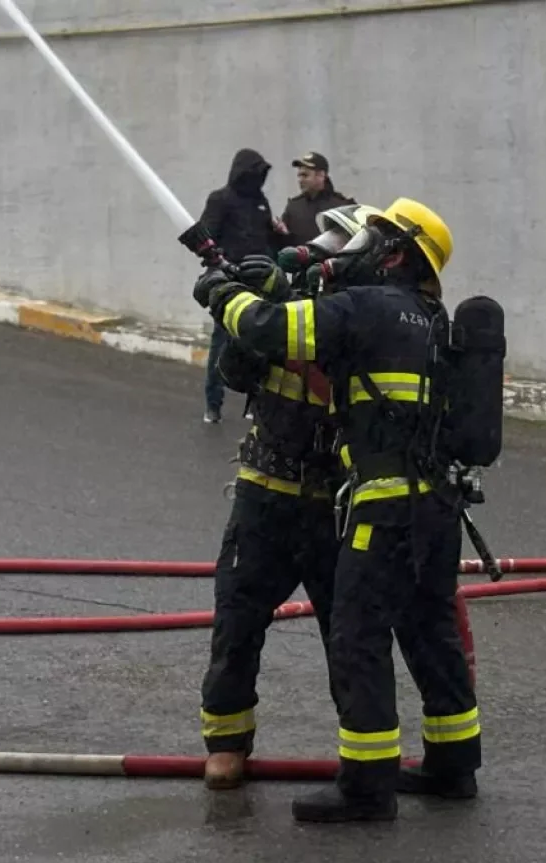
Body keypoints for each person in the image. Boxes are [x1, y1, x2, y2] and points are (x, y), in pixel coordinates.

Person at [193, 198, 484, 823]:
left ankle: (366, 788)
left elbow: (272, 329)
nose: (349, 254)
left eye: (370, 241)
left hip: (377, 509)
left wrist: (223, 292)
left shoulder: (368, 309)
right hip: (435, 507)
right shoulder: (430, 317)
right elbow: (252, 358)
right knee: (430, 632)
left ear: (394, 253)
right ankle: (454, 766)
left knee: (356, 638)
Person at [197, 203, 384, 791]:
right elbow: (237, 372)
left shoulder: (365, 322)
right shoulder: (286, 312)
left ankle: (363, 758)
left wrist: (277, 310)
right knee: (236, 621)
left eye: (328, 250)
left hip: (336, 508)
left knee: (349, 637)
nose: (313, 259)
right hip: (264, 498)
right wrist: (244, 308)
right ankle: (227, 742)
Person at [195, 148, 291, 423]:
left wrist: (280, 237)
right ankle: (213, 404)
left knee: (261, 342)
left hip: (261, 281)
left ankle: (254, 402)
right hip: (230, 281)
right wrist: (220, 262)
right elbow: (206, 236)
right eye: (255, 172)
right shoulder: (220, 199)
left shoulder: (260, 202)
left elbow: (266, 239)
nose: (258, 178)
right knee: (222, 340)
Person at [279, 152, 356, 245]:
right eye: (299, 175)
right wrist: (281, 233)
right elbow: (284, 245)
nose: (300, 180)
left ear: (321, 176)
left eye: (305, 175)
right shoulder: (294, 207)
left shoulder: (342, 206)